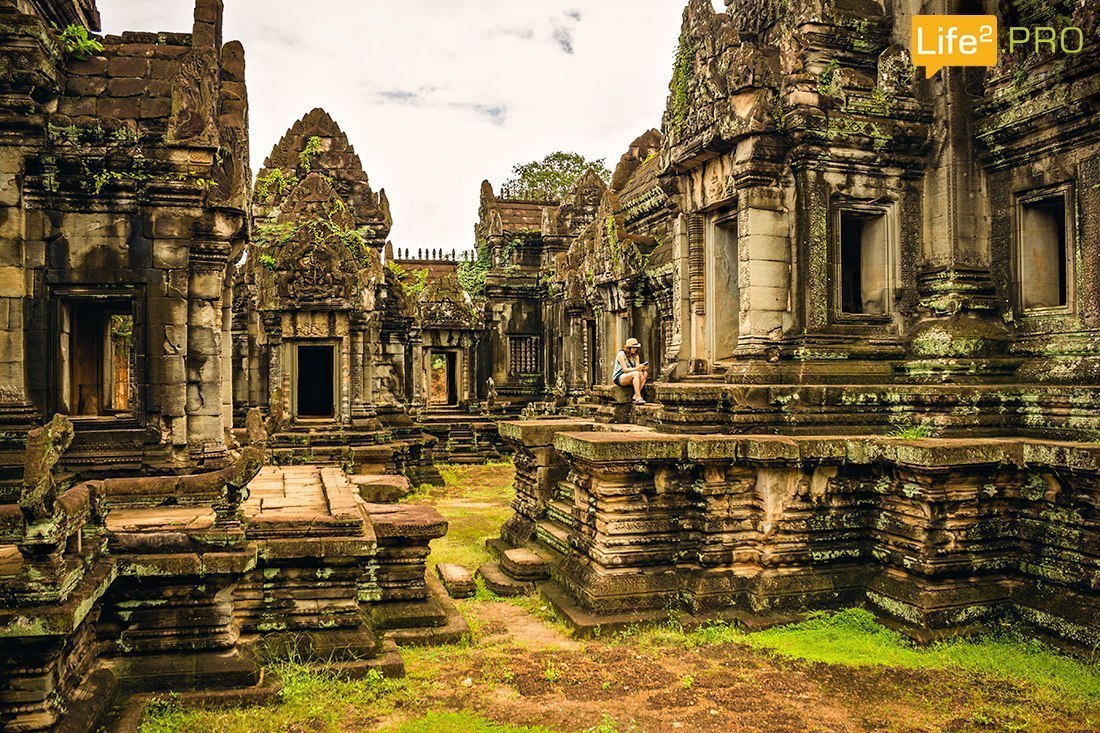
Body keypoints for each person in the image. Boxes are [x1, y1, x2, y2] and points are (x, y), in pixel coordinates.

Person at [612, 337, 648, 405]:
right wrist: (637, 369)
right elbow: (625, 370)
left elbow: (637, 368)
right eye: (633, 348)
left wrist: (642, 368)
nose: (635, 349)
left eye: (636, 348)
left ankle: (635, 395)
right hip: (620, 377)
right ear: (628, 348)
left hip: (632, 375)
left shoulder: (636, 356)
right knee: (636, 374)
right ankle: (638, 397)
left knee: (644, 373)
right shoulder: (621, 355)